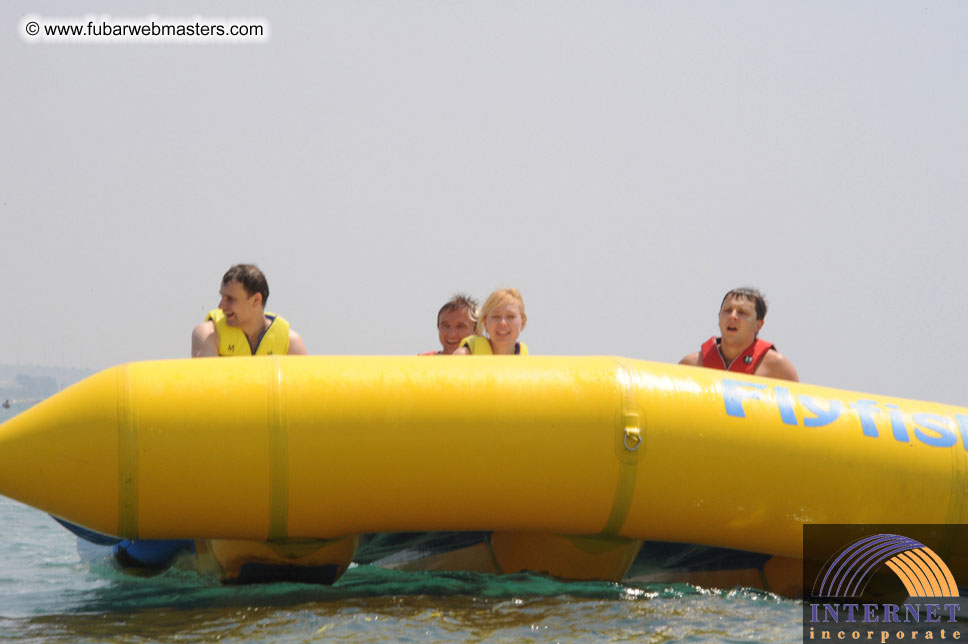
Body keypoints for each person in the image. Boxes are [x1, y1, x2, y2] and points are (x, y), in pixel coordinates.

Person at [679, 287, 798, 381]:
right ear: (719, 317)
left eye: (742, 312)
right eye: (727, 310)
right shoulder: (691, 365)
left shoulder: (778, 368)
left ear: (759, 325)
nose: (732, 316)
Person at [192, 264, 306, 357]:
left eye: (230, 299)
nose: (221, 306)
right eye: (222, 297)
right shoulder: (208, 334)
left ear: (256, 300)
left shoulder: (291, 343)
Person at [453, 288, 528, 355]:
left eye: (510, 316)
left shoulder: (523, 356)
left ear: (523, 323)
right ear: (485, 322)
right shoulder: (466, 353)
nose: (502, 323)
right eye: (496, 316)